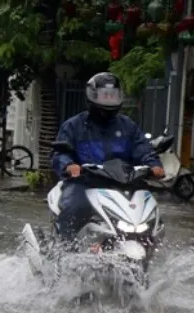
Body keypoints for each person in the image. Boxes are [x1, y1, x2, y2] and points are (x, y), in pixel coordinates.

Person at [51, 72, 164, 243]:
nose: (109, 100)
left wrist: (153, 165)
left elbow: (143, 148)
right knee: (75, 207)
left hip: (123, 182)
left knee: (150, 212)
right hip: (85, 182)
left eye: (112, 96)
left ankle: (149, 246)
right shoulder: (74, 125)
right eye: (105, 96)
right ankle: (61, 250)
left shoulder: (128, 126)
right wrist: (69, 165)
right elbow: (60, 152)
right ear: (92, 96)